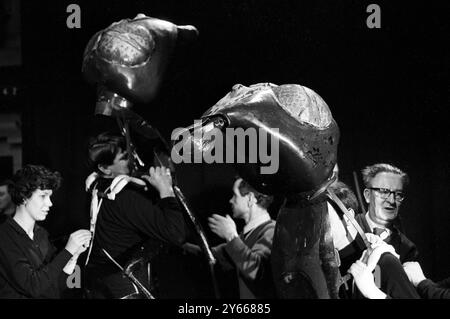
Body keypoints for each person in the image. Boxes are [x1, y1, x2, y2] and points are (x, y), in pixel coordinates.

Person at [84, 132, 187, 299]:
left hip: (98, 281)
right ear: (104, 168)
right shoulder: (126, 198)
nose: (132, 161)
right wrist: (166, 191)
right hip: (125, 286)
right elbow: (176, 233)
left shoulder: (96, 186)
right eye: (125, 158)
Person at [0, 165, 91, 298]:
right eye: (43, 196)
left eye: (50, 197)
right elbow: (33, 286)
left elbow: (55, 287)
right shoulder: (4, 236)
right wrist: (67, 251)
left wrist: (72, 257)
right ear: (24, 197)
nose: (50, 203)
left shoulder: (41, 234)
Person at [328, 181, 419, 299]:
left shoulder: (383, 261)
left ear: (348, 218)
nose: (318, 229)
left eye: (325, 218)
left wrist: (373, 293)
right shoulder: (329, 270)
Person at [208, 177, 276, 299]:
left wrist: (230, 235)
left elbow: (256, 270)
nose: (231, 200)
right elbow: (213, 255)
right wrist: (183, 247)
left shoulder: (271, 230)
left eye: (235, 195)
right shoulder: (246, 236)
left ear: (250, 199)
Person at [356, 163, 418, 263]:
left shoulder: (407, 249)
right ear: (368, 195)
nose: (392, 200)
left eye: (398, 194)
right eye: (384, 191)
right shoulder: (347, 229)